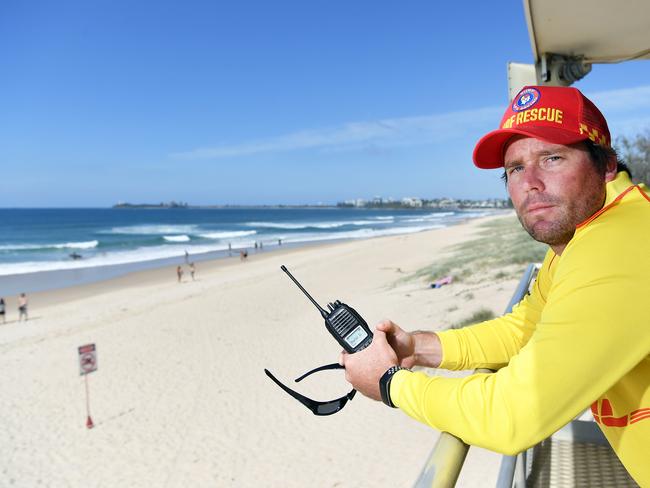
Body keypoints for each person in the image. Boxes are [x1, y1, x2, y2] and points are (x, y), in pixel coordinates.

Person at [340, 86, 649, 485]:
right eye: (515, 169)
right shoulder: (582, 238)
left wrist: (390, 384)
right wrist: (419, 347)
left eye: (552, 158)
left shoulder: (618, 247)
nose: (530, 182)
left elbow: (513, 414)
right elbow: (524, 327)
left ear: (605, 165)